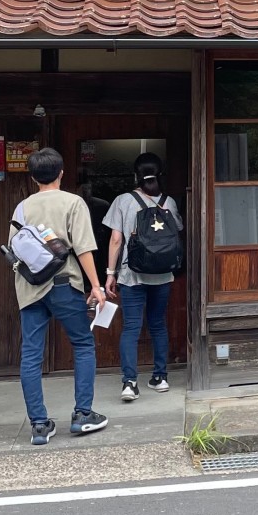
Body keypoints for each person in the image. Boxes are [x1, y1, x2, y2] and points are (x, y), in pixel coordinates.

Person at [10, 147, 109, 446]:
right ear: (62, 173)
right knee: (82, 344)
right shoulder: (73, 202)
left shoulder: (21, 207)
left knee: (31, 354)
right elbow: (83, 248)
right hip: (64, 284)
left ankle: (39, 425)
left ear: (32, 177)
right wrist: (96, 286)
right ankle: (82, 415)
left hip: (29, 288)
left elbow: (15, 250)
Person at [103, 153, 183, 401]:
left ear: (136, 175)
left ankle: (129, 383)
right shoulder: (169, 202)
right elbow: (177, 232)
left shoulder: (123, 200)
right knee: (158, 324)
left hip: (132, 275)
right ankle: (160, 377)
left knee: (131, 328)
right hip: (162, 275)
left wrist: (110, 274)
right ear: (160, 174)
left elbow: (116, 239)